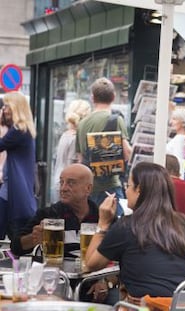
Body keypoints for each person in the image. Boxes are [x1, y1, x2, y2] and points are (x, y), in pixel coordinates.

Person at [85, 162, 185, 303]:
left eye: (128, 186)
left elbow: (91, 264)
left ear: (138, 189)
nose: (126, 191)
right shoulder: (182, 223)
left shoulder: (128, 225)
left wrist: (103, 223)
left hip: (157, 306)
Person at [10, 163, 112, 303]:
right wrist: (33, 239)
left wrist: (105, 280)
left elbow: (119, 256)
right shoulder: (49, 214)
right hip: (54, 285)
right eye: (62, 182)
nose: (63, 188)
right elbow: (16, 247)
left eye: (71, 183)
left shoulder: (103, 217)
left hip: (91, 285)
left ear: (88, 189)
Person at [76, 77, 132, 217]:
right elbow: (127, 153)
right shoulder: (115, 120)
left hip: (88, 187)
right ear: (113, 97)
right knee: (114, 229)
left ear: (92, 98)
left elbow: (80, 159)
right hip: (110, 186)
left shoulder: (82, 123)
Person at [0, 92, 37, 241]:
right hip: (15, 192)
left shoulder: (19, 130)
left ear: (15, 108)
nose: (4, 109)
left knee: (15, 237)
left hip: (13, 193)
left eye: (6, 106)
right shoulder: (23, 129)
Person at [51, 99, 91, 202]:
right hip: (68, 187)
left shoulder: (66, 135)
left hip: (59, 181)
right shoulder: (75, 138)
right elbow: (74, 165)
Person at [166, 109, 185, 179]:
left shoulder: (179, 139)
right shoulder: (180, 138)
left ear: (183, 123)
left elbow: (179, 160)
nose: (171, 122)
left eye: (174, 119)